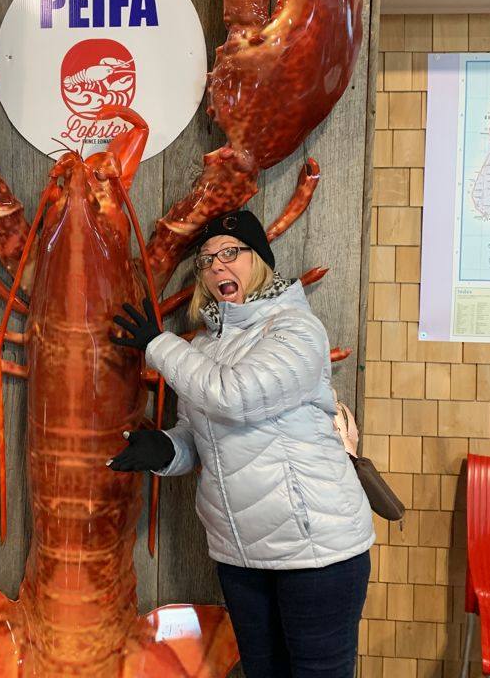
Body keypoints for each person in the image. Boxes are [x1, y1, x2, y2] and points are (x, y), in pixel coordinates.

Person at [108, 209, 374, 678]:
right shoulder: (205, 348)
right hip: (240, 552)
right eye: (207, 260)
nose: (216, 267)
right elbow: (201, 434)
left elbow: (235, 398)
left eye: (231, 253)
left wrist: (158, 344)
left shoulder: (296, 330)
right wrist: (167, 450)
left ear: (261, 261)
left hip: (316, 551)